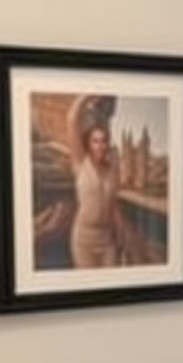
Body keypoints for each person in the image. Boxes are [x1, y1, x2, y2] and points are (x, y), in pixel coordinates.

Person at [66, 94, 123, 269]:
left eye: (104, 141)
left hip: (107, 239)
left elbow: (112, 206)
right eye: (95, 141)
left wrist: (121, 235)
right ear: (89, 144)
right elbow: (71, 118)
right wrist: (90, 94)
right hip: (83, 240)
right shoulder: (80, 164)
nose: (101, 145)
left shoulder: (113, 169)